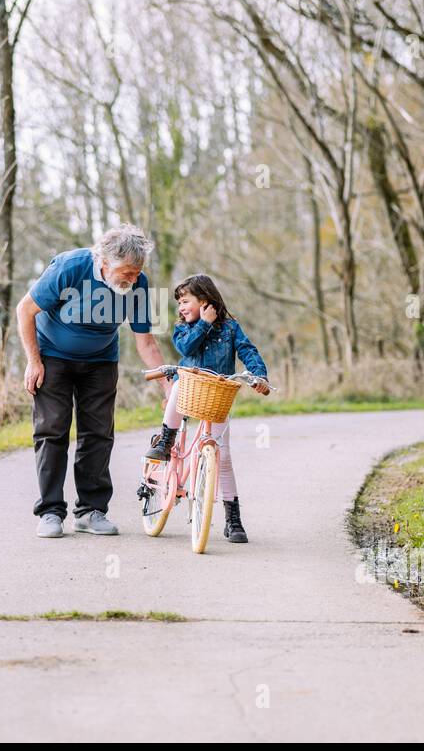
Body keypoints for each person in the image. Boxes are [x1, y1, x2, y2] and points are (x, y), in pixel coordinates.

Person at [16, 224, 170, 539]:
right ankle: (50, 512)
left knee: (98, 433)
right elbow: (25, 310)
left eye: (137, 272)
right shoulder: (71, 267)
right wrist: (34, 361)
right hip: (53, 356)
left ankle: (90, 511)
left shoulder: (140, 286)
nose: (132, 278)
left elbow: (146, 343)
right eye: (126, 272)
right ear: (104, 262)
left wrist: (168, 386)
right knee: (52, 431)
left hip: (101, 360)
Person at [144, 274, 269, 543]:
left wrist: (259, 376)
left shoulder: (231, 329)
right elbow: (185, 346)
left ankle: (233, 520)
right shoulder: (184, 328)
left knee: (223, 458)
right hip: (189, 390)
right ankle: (167, 439)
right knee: (178, 382)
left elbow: (248, 351)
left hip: (216, 395)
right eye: (179, 303)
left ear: (205, 300)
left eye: (185, 301)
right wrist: (203, 323)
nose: (181, 308)